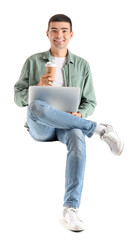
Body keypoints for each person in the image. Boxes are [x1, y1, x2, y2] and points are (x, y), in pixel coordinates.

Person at [14, 14, 124, 232]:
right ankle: (100, 129)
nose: (59, 35)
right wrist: (37, 85)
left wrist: (80, 114)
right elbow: (18, 98)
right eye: (54, 30)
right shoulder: (33, 61)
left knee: (76, 134)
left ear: (71, 34)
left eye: (64, 30)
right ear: (47, 34)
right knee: (36, 106)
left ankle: (71, 209)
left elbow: (90, 101)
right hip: (41, 126)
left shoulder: (82, 65)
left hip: (69, 124)